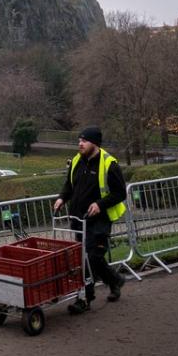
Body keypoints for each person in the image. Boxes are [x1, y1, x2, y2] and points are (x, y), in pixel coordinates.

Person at [53, 126, 128, 314]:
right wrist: (62, 198)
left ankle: (85, 299)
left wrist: (100, 205)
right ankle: (115, 280)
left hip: (100, 220)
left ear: (94, 143)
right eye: (79, 140)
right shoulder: (77, 161)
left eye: (84, 141)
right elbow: (69, 185)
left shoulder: (109, 164)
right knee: (85, 258)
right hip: (79, 219)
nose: (80, 143)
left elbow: (120, 193)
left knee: (91, 258)